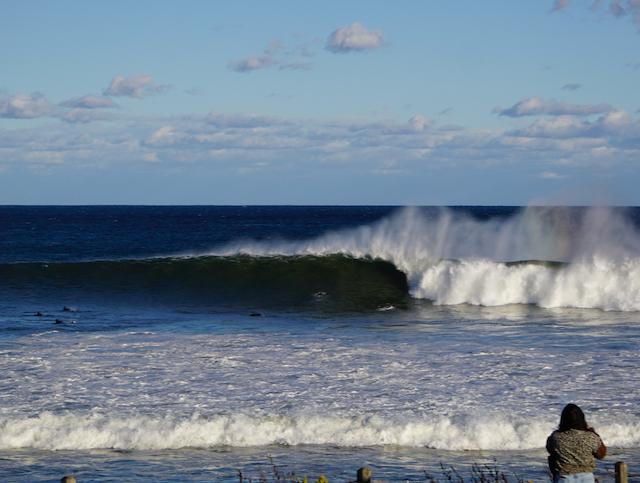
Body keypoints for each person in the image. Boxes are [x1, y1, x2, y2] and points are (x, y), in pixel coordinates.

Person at [547, 404, 606, 483]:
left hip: (564, 478)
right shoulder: (590, 437)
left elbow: (550, 450)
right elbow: (601, 455)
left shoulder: (555, 437)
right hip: (586, 478)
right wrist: (592, 431)